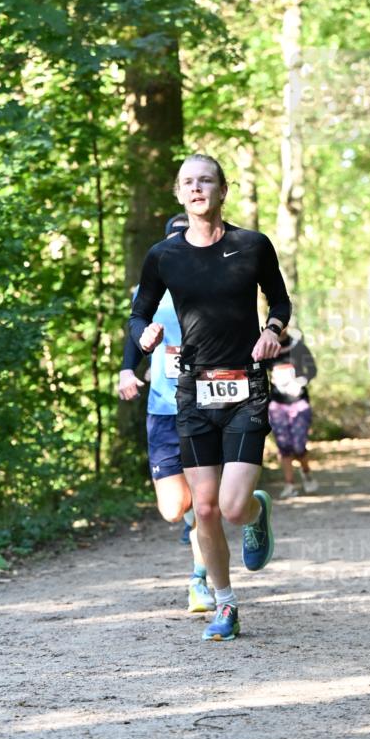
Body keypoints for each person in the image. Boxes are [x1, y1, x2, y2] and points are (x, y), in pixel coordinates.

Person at [129, 153, 291, 642]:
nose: (197, 188)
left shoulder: (252, 245)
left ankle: (256, 513)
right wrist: (145, 336)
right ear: (179, 194)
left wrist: (273, 330)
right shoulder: (164, 255)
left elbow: (279, 299)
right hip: (193, 390)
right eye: (188, 182)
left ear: (223, 189)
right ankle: (225, 603)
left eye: (206, 180)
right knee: (204, 509)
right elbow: (138, 315)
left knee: (234, 508)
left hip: (245, 386)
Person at [119, 214, 216, 614]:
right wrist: (128, 369)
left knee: (206, 505)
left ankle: (200, 581)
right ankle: (198, 520)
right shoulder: (148, 290)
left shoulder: (215, 282)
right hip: (162, 405)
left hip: (208, 402)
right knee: (175, 508)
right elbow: (135, 334)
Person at [267, 329, 318, 498]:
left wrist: (300, 381)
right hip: (277, 404)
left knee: (298, 445)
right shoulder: (267, 347)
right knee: (284, 446)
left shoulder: (298, 347)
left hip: (299, 403)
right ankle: (289, 484)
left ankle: (306, 472)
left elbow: (312, 369)